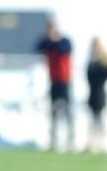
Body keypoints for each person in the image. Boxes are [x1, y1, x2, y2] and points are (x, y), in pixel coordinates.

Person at [36, 18, 74, 152]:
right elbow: (38, 47)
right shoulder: (48, 43)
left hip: (65, 81)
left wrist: (55, 40)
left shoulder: (65, 41)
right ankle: (53, 140)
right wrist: (48, 39)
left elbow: (64, 49)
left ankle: (71, 141)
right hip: (53, 81)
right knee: (53, 112)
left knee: (68, 112)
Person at [85, 37, 107, 152]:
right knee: (92, 120)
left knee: (100, 120)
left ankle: (101, 143)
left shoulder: (102, 62)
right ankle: (92, 143)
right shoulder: (91, 61)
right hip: (92, 94)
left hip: (100, 94)